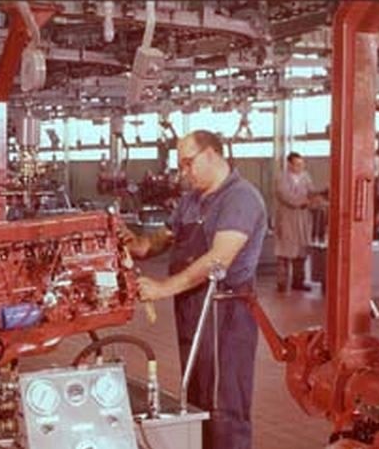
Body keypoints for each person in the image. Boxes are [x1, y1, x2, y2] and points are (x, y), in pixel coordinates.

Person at [122, 130, 267, 449]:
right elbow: (164, 237)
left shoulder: (240, 199)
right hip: (193, 310)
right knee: (199, 401)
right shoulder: (191, 201)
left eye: (189, 164)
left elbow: (217, 260)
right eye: (181, 166)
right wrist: (134, 243)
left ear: (212, 155)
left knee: (225, 405)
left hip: (226, 312)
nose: (184, 173)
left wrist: (163, 288)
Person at [274, 151, 320, 293]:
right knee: (285, 253)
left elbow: (312, 193)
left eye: (302, 164)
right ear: (289, 164)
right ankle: (282, 283)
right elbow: (286, 196)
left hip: (303, 220)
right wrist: (304, 201)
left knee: (301, 252)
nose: (300, 167)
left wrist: (316, 198)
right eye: (297, 164)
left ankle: (298, 282)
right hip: (287, 219)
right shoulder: (281, 178)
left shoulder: (306, 177)